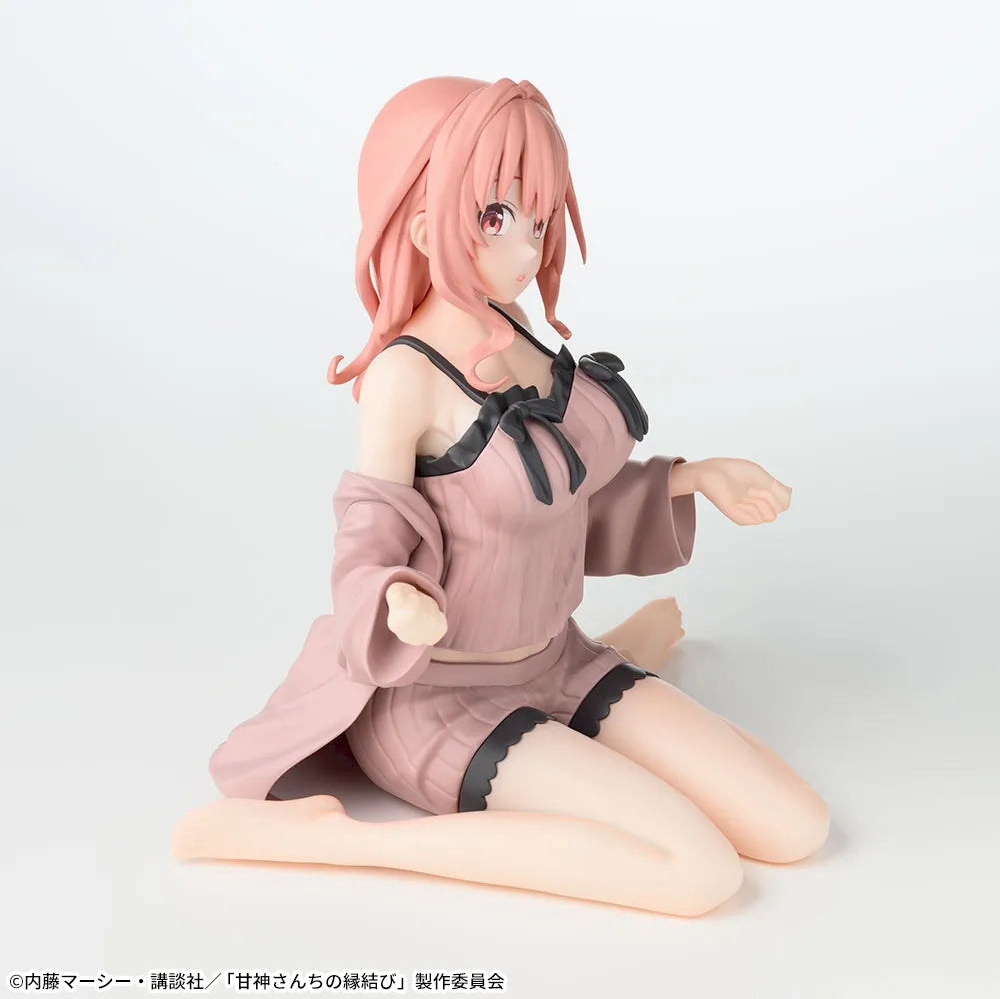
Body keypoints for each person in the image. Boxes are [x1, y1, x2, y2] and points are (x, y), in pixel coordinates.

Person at [171, 76, 829, 918]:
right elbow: (367, 540)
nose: (527, 247)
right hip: (442, 700)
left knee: (796, 827)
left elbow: (557, 503)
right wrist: (396, 595)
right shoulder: (406, 376)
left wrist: (690, 478)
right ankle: (334, 840)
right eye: (496, 217)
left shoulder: (519, 331)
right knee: (696, 873)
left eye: (539, 219)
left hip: (559, 661)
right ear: (422, 224)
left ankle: (613, 670)